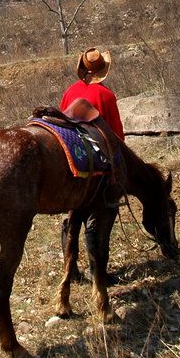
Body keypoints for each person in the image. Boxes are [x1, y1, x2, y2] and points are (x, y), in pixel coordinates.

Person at [60, 47, 124, 284]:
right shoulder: (106, 96)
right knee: (104, 211)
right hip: (97, 164)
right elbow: (117, 137)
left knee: (70, 216)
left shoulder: (70, 91)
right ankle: (98, 272)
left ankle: (71, 269)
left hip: (72, 160)